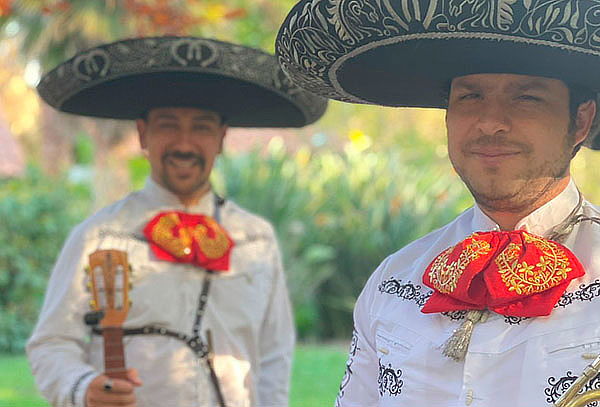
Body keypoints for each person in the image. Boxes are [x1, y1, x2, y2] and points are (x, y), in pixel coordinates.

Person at [276, 1, 600, 406]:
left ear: (581, 121)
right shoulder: (394, 281)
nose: (490, 122)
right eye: (470, 97)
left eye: (527, 98)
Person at [27, 36, 327, 407]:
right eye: (168, 125)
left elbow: (274, 356)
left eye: (201, 128)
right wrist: (82, 385)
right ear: (142, 134)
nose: (184, 143)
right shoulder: (100, 236)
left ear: (220, 139)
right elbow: (51, 342)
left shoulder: (254, 238)